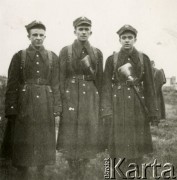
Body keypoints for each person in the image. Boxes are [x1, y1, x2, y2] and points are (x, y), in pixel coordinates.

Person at [1, 20, 61, 180]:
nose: (38, 38)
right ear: (29, 36)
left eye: (41, 35)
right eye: (35, 35)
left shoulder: (52, 57)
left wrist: (56, 107)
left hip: (45, 103)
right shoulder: (19, 56)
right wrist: (11, 109)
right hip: (24, 103)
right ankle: (23, 173)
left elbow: (56, 84)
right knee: (23, 138)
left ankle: (41, 172)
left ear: (45, 36)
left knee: (43, 138)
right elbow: (12, 84)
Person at [101, 25, 158, 178]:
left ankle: (135, 172)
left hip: (137, 103)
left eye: (130, 38)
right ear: (119, 40)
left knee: (137, 140)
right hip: (118, 103)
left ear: (135, 39)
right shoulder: (111, 59)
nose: (127, 40)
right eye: (124, 38)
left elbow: (150, 87)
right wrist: (106, 109)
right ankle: (120, 172)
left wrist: (153, 111)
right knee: (119, 140)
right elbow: (106, 86)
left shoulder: (143, 58)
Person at [56, 16, 103, 179]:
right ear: (75, 31)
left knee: (88, 129)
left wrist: (100, 101)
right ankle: (71, 166)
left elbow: (100, 79)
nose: (83, 32)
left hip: (90, 95)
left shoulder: (97, 53)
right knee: (71, 129)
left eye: (86, 29)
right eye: (80, 29)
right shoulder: (66, 50)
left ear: (91, 32)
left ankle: (84, 166)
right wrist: (61, 99)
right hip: (71, 94)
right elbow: (61, 76)